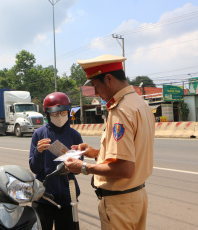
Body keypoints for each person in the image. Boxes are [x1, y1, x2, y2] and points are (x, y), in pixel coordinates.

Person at [64, 54, 155, 230]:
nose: (97, 94)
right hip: (138, 198)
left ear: (109, 78)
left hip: (119, 204)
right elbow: (130, 152)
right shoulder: (140, 104)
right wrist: (96, 152)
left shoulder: (120, 111)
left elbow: (124, 168)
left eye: (97, 87)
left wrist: (83, 167)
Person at [29, 92, 83, 230]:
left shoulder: (74, 135)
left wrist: (74, 159)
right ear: (48, 114)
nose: (59, 116)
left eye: (63, 112)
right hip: (43, 198)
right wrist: (38, 152)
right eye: (55, 114)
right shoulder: (39, 134)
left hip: (67, 198)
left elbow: (79, 168)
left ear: (69, 112)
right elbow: (34, 168)